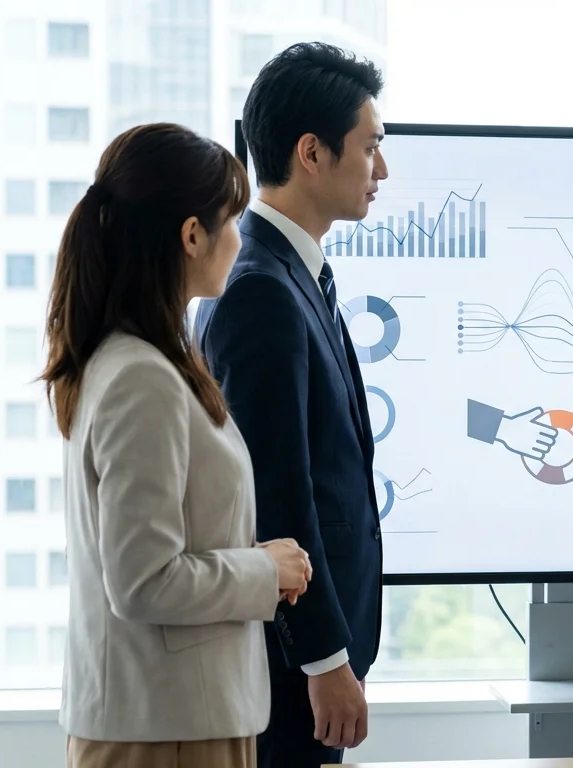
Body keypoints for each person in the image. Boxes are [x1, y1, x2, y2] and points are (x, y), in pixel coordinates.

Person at [42, 122, 313, 768]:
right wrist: (264, 571)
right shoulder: (141, 377)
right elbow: (142, 581)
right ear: (192, 235)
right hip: (165, 732)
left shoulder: (145, 362)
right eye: (233, 220)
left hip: (177, 720)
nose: (239, 239)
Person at [193, 41, 388, 768]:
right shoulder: (261, 290)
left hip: (303, 653)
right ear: (312, 153)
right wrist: (323, 660)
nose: (383, 170)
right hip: (289, 667)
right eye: (371, 148)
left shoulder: (288, 273)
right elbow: (276, 490)